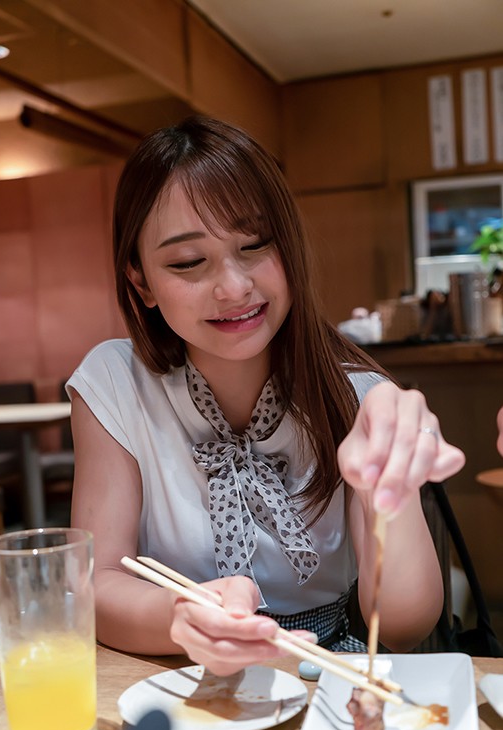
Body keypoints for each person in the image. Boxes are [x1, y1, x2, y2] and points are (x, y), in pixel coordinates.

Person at [67, 115, 465, 675]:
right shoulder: (114, 382)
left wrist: (387, 490)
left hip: (326, 672)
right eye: (188, 262)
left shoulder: (358, 397)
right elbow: (95, 581)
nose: (234, 287)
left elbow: (403, 626)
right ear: (141, 282)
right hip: (174, 673)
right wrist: (183, 616)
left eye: (254, 244)